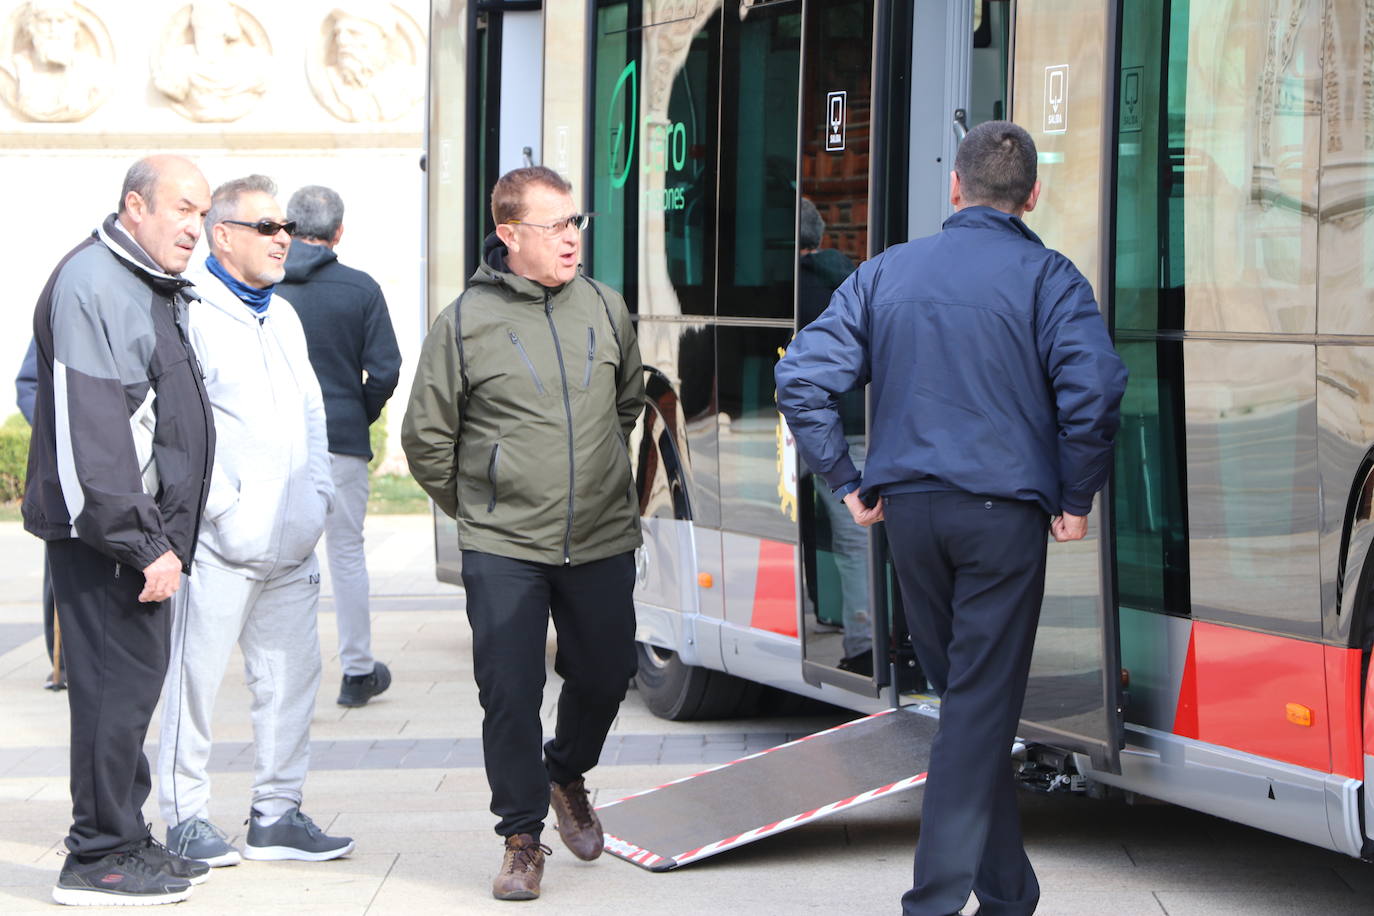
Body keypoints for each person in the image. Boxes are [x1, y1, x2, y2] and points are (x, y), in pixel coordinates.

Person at [776, 121, 1127, 916]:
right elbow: (1096, 389)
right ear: (1032, 196)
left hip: (910, 517)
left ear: (956, 187)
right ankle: (932, 902)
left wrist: (846, 480)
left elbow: (801, 379)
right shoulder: (1050, 277)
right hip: (1003, 519)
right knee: (976, 706)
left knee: (968, 702)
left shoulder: (885, 272)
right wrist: (1076, 498)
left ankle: (1008, 893)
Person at [402, 165, 644, 901]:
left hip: (600, 535)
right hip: (504, 543)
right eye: (555, 225)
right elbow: (426, 438)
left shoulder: (605, 306)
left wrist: (600, 480)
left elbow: (626, 405)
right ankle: (521, 837)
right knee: (509, 690)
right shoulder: (464, 322)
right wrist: (484, 505)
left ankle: (565, 771)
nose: (572, 238)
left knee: (607, 673)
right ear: (509, 234)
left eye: (576, 222)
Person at [24, 154, 216, 905]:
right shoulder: (94, 283)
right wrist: (143, 543)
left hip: (137, 537)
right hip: (109, 542)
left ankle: (125, 838)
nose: (196, 226)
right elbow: (94, 435)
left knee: (129, 695)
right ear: (136, 206)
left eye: (203, 212)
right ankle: (96, 857)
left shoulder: (143, 282)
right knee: (110, 696)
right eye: (182, 209)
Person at [156, 175, 353, 868]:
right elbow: (176, 430)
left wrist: (317, 496)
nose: (283, 239)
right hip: (218, 546)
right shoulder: (188, 313)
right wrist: (225, 510)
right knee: (193, 687)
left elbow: (312, 416)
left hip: (292, 547)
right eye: (267, 227)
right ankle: (184, 817)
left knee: (292, 686)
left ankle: (276, 815)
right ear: (223, 235)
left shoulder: (286, 315)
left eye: (286, 227)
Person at [278, 184, 401, 708]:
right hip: (341, 440)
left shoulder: (263, 285)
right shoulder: (361, 288)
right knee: (346, 554)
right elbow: (387, 370)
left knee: (282, 559)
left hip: (278, 444)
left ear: (287, 228)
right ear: (339, 232)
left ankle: (284, 673)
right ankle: (356, 672)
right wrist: (358, 410)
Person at [795, 198, 871, 674]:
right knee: (853, 536)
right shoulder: (854, 277)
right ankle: (861, 634)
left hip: (815, 424)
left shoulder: (794, 288)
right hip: (858, 422)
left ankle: (863, 646)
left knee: (845, 536)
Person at [15, 338, 63, 689]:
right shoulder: (60, 314)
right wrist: (56, 432)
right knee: (61, 567)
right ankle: (63, 660)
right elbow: (28, 384)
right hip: (66, 464)